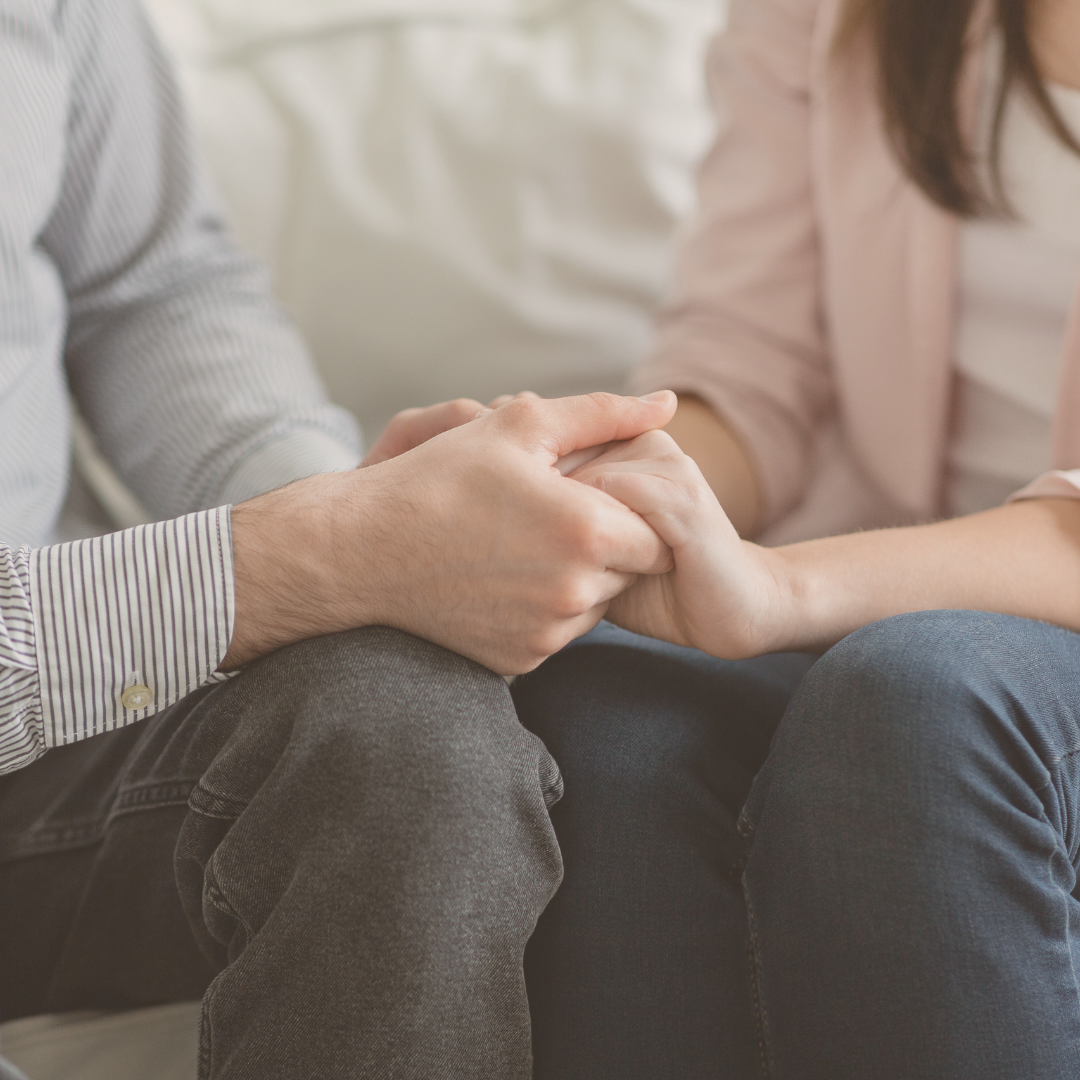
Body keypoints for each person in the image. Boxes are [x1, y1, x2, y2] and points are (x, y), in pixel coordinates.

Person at [0, 1, 678, 1077]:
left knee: (401, 720)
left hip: (59, 737)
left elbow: (148, 286)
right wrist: (314, 552)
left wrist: (350, 515)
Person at [512, 0, 1080, 1077]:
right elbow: (755, 356)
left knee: (917, 702)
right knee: (601, 710)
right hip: (881, 592)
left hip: (951, 642)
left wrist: (776, 589)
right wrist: (602, 482)